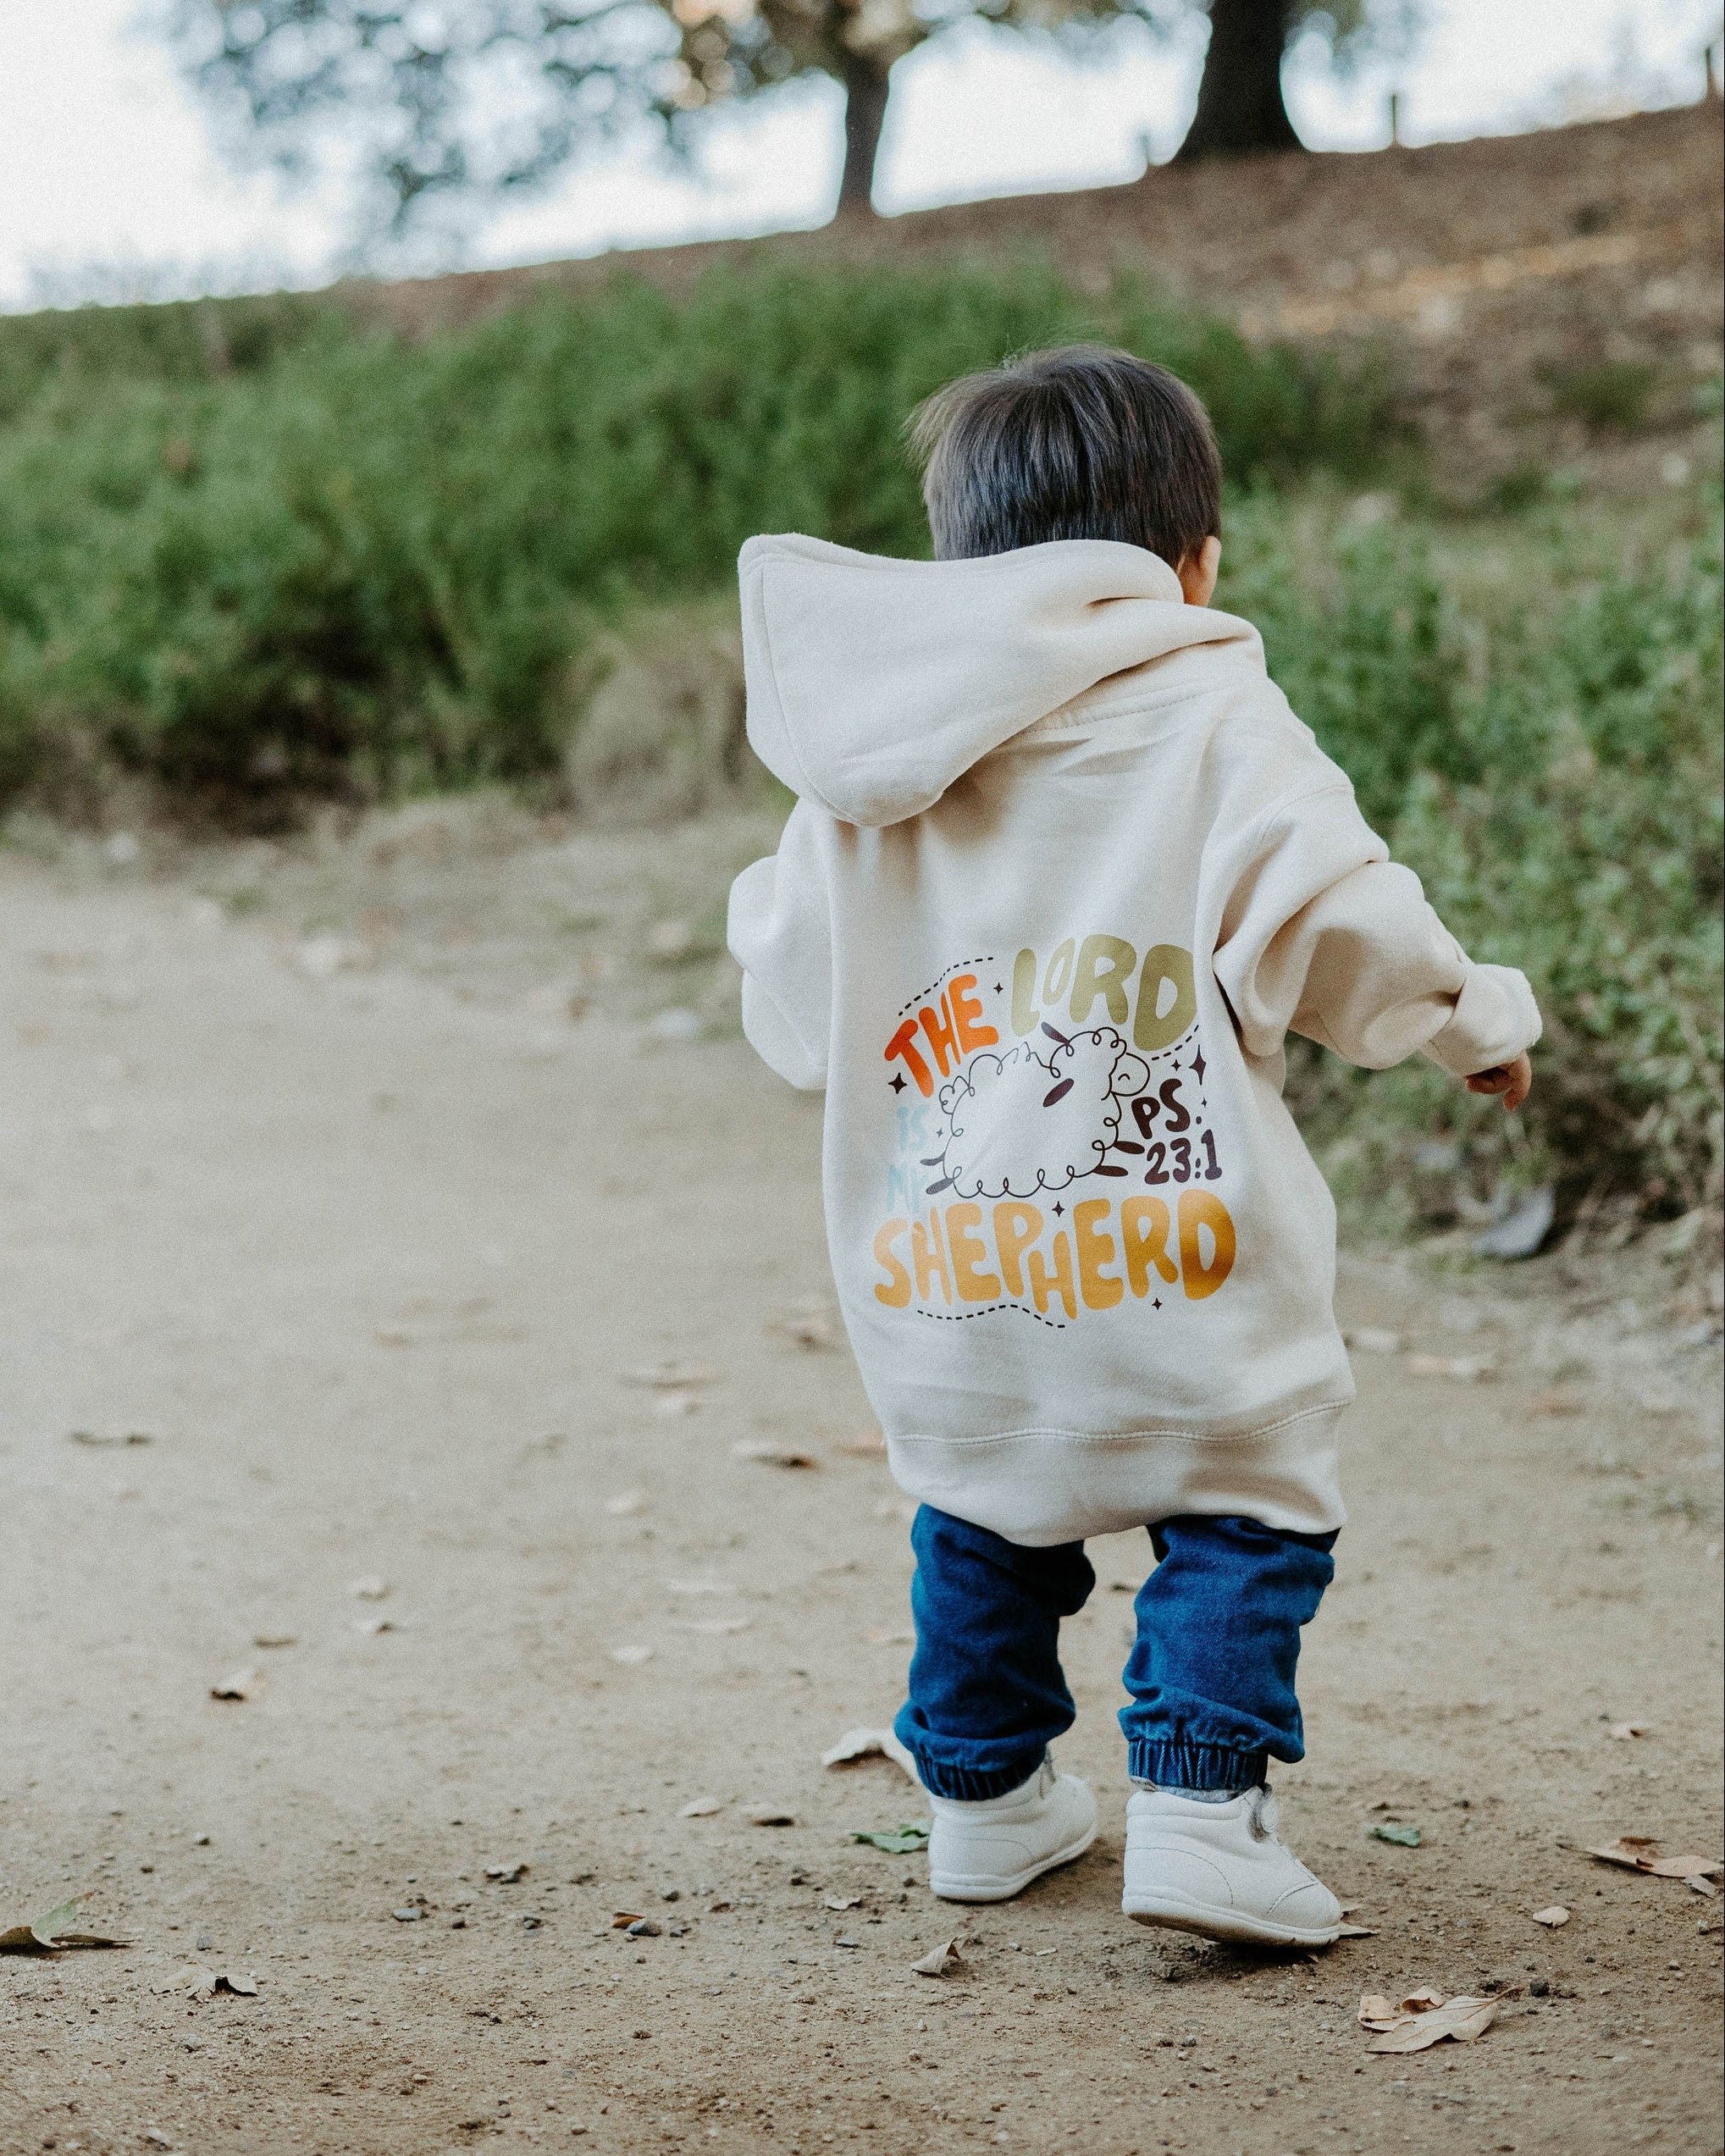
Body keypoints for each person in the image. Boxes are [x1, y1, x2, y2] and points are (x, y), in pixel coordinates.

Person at [727, 346, 1537, 1947]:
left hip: (952, 1270)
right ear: (1193, 563)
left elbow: (793, 998)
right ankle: (1201, 1811)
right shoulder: (1211, 709)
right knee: (1247, 1500)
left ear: (964, 563)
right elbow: (1335, 916)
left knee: (980, 1508)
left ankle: (980, 1800)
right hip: (1186, 1258)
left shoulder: (866, 758)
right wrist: (1466, 1017)